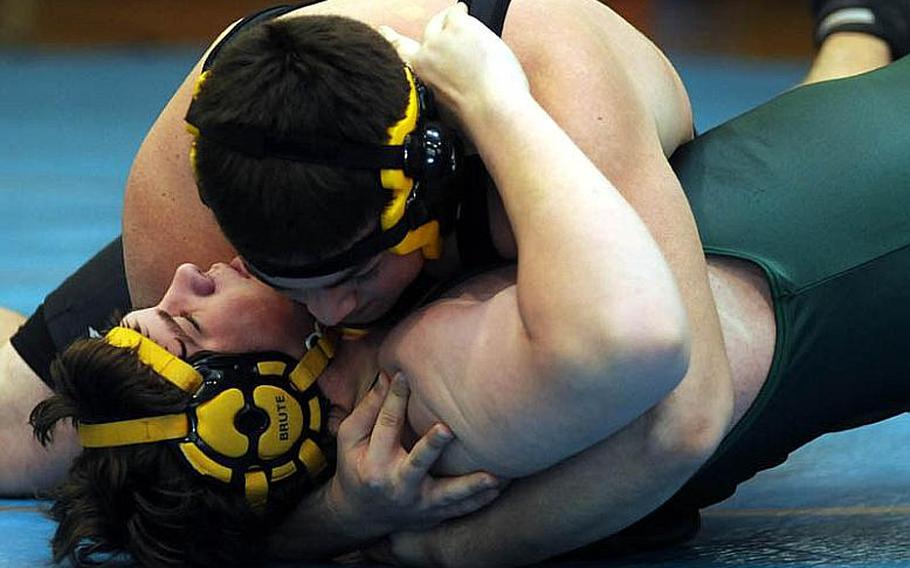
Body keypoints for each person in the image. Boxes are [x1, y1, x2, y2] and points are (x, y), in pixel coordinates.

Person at [27, 7, 910, 568]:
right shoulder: (195, 203)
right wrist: (332, 515)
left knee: (580, 427)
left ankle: (857, 37)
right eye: (285, 287)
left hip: (527, 134)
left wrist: (431, 548)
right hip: (316, 194)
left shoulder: (552, 81)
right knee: (50, 439)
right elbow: (212, 471)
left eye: (356, 282)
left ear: (421, 220)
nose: (186, 280)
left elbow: (680, 410)